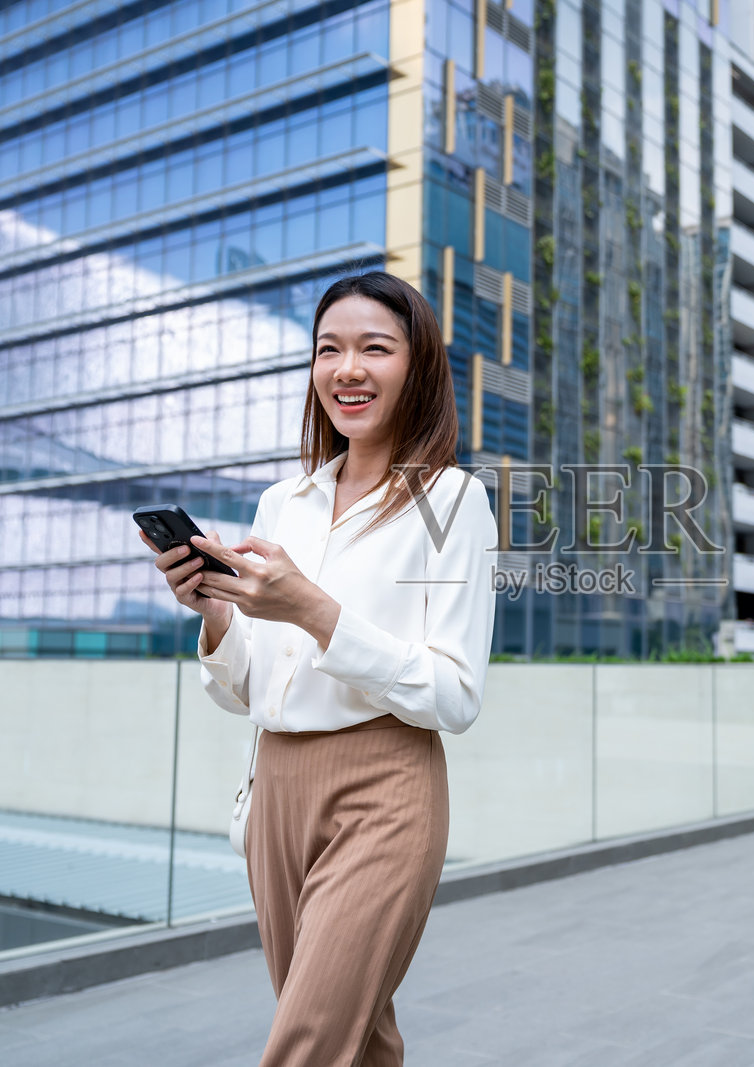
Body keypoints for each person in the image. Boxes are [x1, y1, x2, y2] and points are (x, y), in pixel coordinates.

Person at [143, 272, 499, 1064]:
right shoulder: (285, 503)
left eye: (376, 347)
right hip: (274, 789)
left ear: (419, 367)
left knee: (305, 1045)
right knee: (357, 1041)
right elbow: (249, 686)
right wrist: (214, 610)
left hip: (385, 786)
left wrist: (312, 607)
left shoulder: (453, 500)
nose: (348, 368)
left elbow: (456, 692)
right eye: (328, 349)